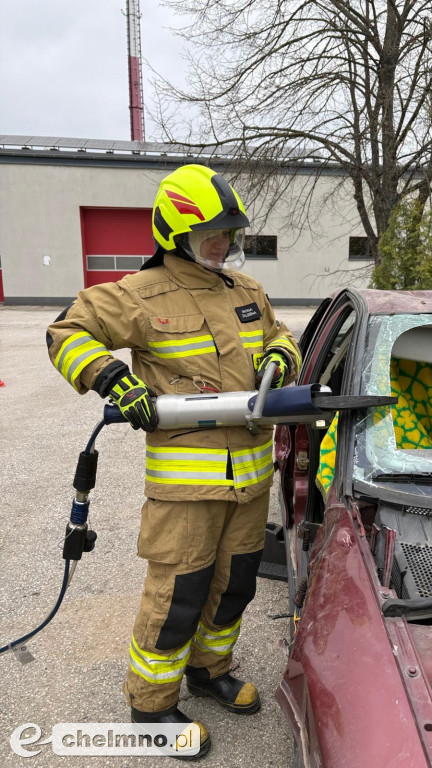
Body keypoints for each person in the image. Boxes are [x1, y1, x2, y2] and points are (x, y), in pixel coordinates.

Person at [46, 164, 301, 759]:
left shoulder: (246, 292)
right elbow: (67, 333)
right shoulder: (138, 294)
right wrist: (114, 379)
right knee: (178, 594)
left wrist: (283, 359)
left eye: (229, 231)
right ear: (175, 231)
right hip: (187, 488)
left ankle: (211, 671)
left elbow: (281, 333)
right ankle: (152, 706)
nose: (223, 242)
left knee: (233, 587)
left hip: (251, 481)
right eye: (210, 230)